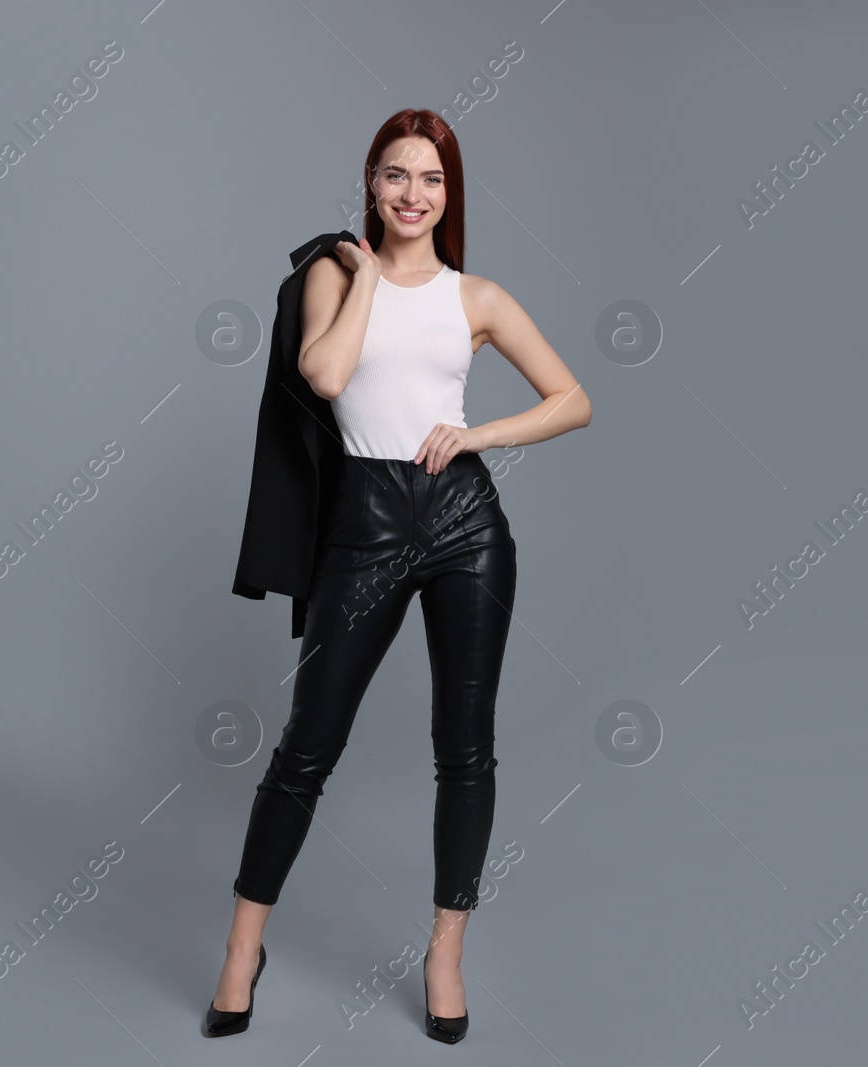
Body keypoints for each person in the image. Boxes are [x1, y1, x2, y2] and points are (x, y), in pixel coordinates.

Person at [207, 108, 591, 1043]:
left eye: (431, 178)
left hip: (464, 521)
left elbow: (574, 399)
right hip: (365, 524)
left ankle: (445, 951)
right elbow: (327, 375)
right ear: (371, 186)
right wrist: (371, 275)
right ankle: (239, 950)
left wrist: (480, 434)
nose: (413, 193)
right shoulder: (334, 275)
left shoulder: (479, 298)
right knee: (309, 744)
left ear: (450, 193)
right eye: (395, 175)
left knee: (465, 746)